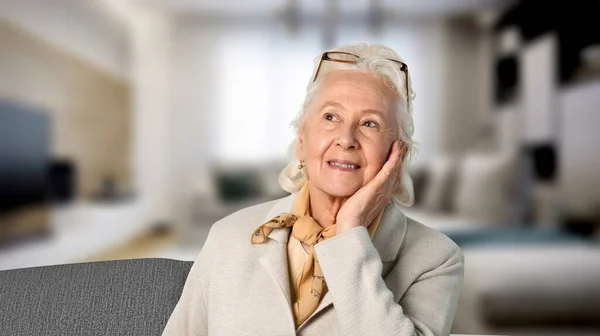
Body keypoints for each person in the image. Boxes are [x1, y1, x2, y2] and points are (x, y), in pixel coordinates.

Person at [162, 43, 464, 336]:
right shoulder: (227, 236)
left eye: (370, 124)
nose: (346, 139)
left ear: (397, 154)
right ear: (303, 140)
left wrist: (349, 235)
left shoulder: (436, 259)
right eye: (331, 117)